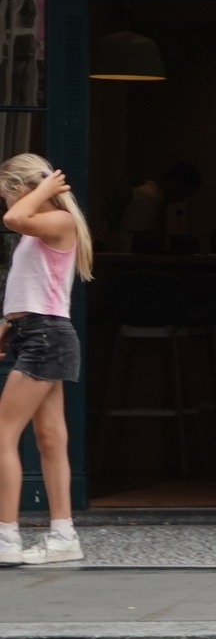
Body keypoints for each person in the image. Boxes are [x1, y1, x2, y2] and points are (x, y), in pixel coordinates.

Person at [0, 154, 94, 565]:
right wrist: (7, 326)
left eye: (6, 194)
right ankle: (63, 535)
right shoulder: (37, 231)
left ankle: (5, 535)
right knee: (50, 438)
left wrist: (41, 191)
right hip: (36, 333)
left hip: (45, 336)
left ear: (22, 189)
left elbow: (15, 218)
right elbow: (34, 289)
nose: (5, 204)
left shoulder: (56, 221)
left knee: (2, 433)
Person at [118, 160, 200, 238]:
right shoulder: (147, 196)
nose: (182, 199)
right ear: (175, 184)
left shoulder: (152, 197)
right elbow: (134, 234)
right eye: (185, 194)